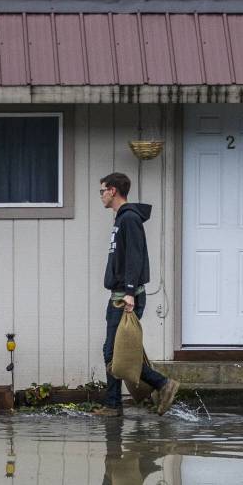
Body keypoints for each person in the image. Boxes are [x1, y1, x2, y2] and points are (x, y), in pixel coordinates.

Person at [97, 172, 179, 416]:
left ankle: (163, 384)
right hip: (119, 293)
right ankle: (114, 403)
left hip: (126, 295)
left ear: (113, 191)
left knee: (115, 352)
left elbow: (134, 256)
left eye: (102, 191)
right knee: (114, 350)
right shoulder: (121, 218)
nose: (101, 196)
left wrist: (130, 293)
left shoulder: (129, 218)